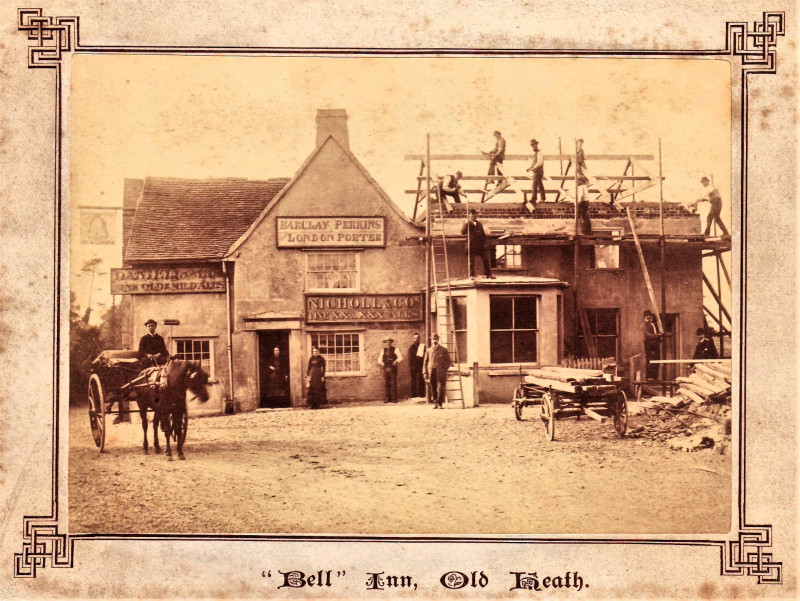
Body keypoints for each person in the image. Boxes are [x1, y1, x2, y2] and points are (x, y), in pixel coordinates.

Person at [461, 208, 495, 279]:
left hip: (480, 246)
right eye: (472, 214)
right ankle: (472, 275)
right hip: (472, 245)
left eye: (475, 214)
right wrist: (466, 223)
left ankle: (488, 274)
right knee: (471, 261)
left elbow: (483, 235)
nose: (473, 215)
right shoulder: (467, 223)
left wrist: (485, 244)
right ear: (469, 215)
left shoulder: (479, 224)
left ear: (476, 215)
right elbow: (462, 232)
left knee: (485, 259)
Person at [423, 333, 452, 409]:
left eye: (436, 339)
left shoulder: (443, 350)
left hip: (440, 372)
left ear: (438, 340)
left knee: (440, 387)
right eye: (433, 339)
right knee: (433, 387)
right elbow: (425, 363)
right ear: (431, 340)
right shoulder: (428, 350)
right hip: (431, 371)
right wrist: (425, 372)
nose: (434, 341)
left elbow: (449, 361)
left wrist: (444, 369)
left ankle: (440, 404)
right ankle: (435, 403)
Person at [376, 337, 403, 403]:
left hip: (393, 367)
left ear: (391, 342)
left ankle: (394, 399)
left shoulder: (395, 349)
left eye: (389, 341)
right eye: (386, 341)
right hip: (386, 367)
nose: (388, 343)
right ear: (385, 343)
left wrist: (396, 361)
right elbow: (379, 359)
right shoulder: (383, 350)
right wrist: (381, 363)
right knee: (386, 383)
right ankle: (387, 398)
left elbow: (400, 357)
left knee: (393, 382)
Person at [575, 138, 592, 234]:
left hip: (583, 203)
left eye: (581, 143)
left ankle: (585, 232)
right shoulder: (576, 151)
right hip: (586, 202)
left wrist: (576, 203)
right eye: (579, 143)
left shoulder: (581, 186)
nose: (580, 145)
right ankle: (587, 231)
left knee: (584, 217)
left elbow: (580, 197)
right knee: (585, 216)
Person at [642, 310, 662, 381]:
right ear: (645, 317)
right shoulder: (645, 325)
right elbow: (647, 335)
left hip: (655, 345)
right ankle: (649, 377)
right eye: (648, 317)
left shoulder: (653, 324)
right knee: (650, 360)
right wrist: (657, 336)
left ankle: (654, 377)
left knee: (656, 360)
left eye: (651, 316)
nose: (650, 318)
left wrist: (659, 337)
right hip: (649, 345)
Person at [407, 333, 426, 398]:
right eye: (415, 338)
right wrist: (412, 365)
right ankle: (414, 394)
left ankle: (421, 394)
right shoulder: (411, 347)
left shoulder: (423, 346)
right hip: (413, 366)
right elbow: (410, 357)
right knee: (413, 380)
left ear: (419, 338)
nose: (416, 339)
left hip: (420, 365)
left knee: (421, 379)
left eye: (417, 338)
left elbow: (425, 356)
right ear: (413, 339)